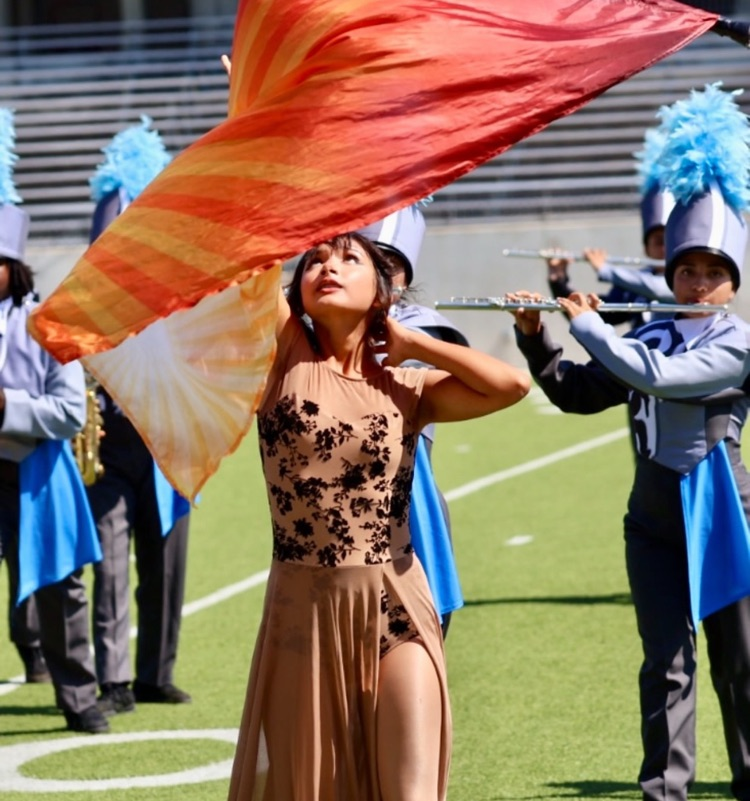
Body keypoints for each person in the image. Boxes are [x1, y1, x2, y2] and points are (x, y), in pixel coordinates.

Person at [227, 230, 530, 800]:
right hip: (304, 613)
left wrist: (418, 345)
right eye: (314, 260)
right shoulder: (283, 351)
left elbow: (512, 385)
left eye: (347, 258)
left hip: (398, 601)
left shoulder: (407, 386)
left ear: (384, 289)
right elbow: (249, 257)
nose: (327, 267)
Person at [510, 83, 750, 801]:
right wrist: (538, 340)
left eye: (713, 273)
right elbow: (581, 390)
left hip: (722, 510)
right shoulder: (646, 329)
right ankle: (664, 787)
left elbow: (667, 379)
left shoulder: (738, 342)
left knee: (737, 658)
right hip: (650, 514)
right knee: (665, 659)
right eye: (686, 270)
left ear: (731, 284)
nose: (698, 283)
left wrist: (591, 326)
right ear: (669, 273)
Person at [0, 108, 108, 733]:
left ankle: (79, 696)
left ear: (15, 264)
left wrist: (6, 408)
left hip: (36, 473)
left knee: (59, 587)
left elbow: (69, 411)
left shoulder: (47, 323)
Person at [84, 119, 192, 715]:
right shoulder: (87, 297)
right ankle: (116, 678)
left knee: (167, 559)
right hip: (110, 440)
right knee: (110, 559)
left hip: (168, 439)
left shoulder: (183, 297)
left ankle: (155, 672)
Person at [357, 204, 468, 637]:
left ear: (406, 277)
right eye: (365, 258)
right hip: (331, 507)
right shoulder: (314, 328)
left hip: (408, 498)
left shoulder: (424, 329)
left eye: (391, 265)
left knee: (420, 637)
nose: (379, 274)